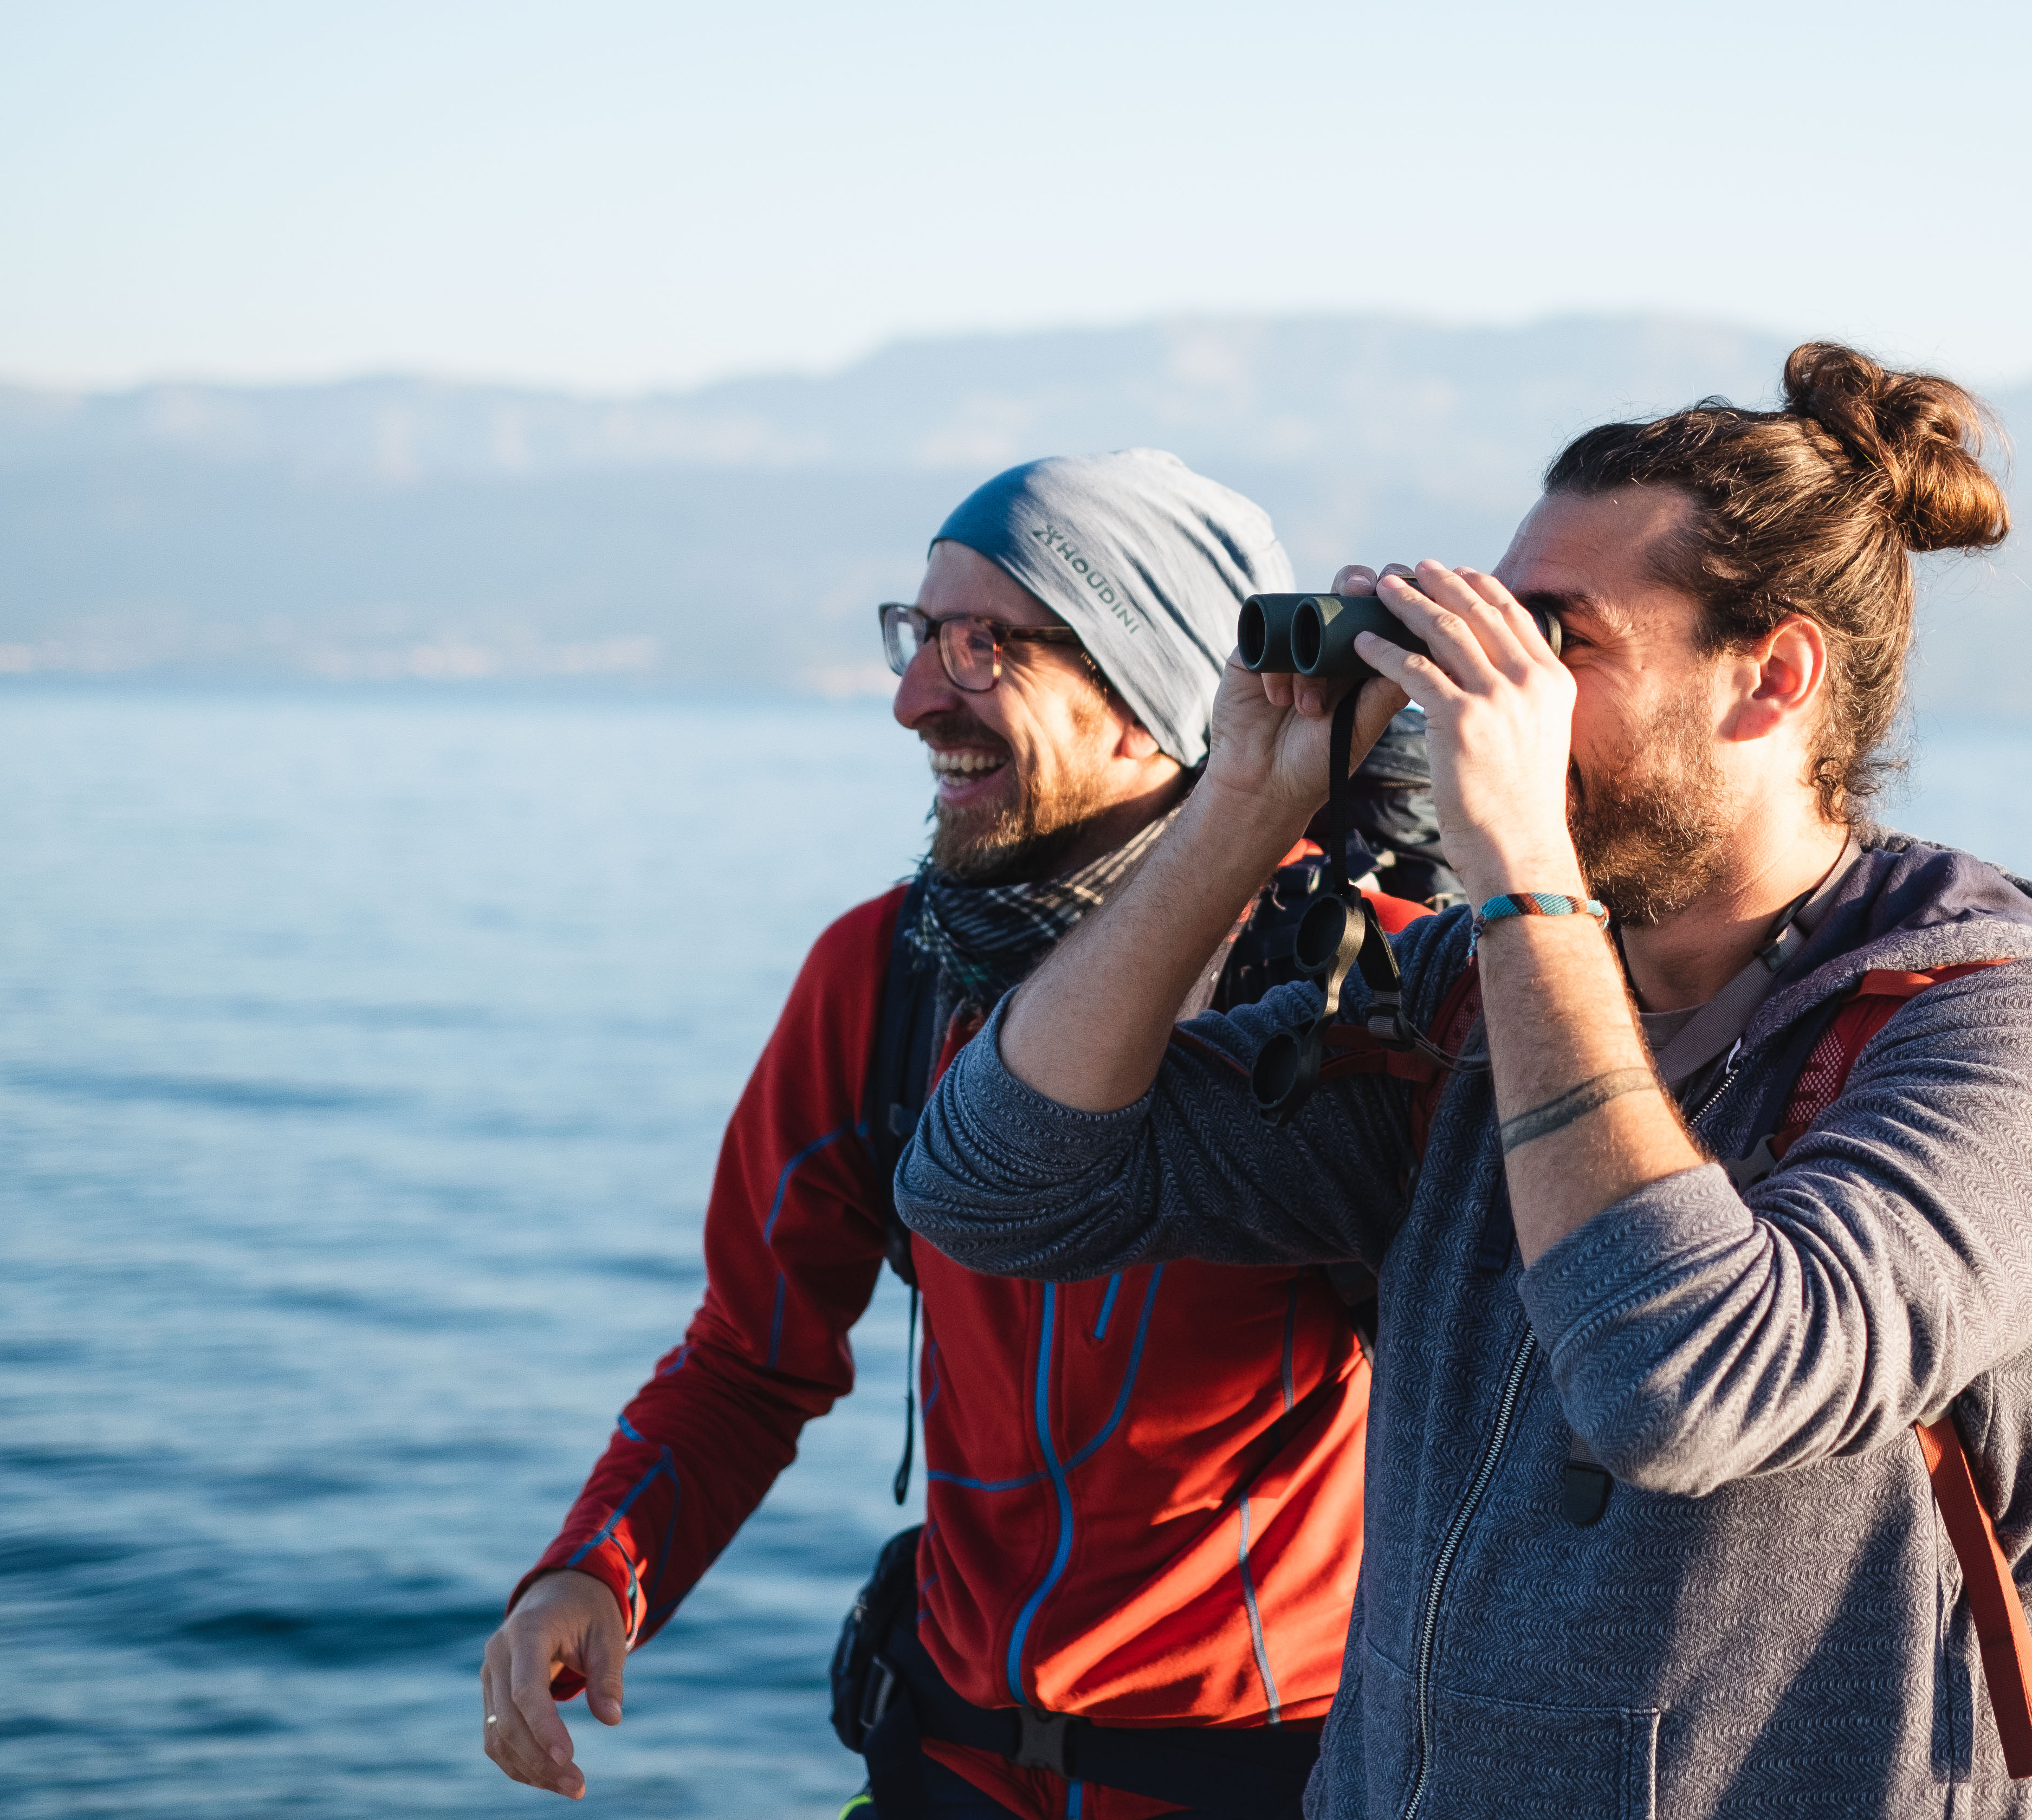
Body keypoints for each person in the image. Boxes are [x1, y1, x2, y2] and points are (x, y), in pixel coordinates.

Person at [898, 347, 2032, 1816]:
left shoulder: (2009, 1044)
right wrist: (1244, 803)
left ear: (1772, 681)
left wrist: (1524, 867)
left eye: (1553, 643)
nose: (1491, 695)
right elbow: (996, 1191)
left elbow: (1689, 1384)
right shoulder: (1461, 1004)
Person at [480, 451, 1441, 1818]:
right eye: (919, 633)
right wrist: (595, 1565)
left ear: (1146, 699)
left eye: (987, 643)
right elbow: (752, 1358)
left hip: (1265, 1785)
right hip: (939, 1770)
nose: (914, 695)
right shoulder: (886, 978)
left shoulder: (1371, 997)